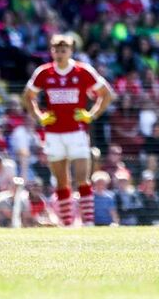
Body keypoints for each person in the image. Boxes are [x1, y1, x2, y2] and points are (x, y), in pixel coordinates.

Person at [22, 32, 115, 227]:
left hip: (77, 133)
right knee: (62, 182)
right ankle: (67, 223)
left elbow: (106, 94)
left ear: (71, 51)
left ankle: (88, 223)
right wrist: (39, 116)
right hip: (53, 134)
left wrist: (92, 115)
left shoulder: (83, 71)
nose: (59, 54)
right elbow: (27, 96)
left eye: (63, 50)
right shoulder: (44, 73)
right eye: (56, 50)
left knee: (82, 178)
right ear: (51, 51)